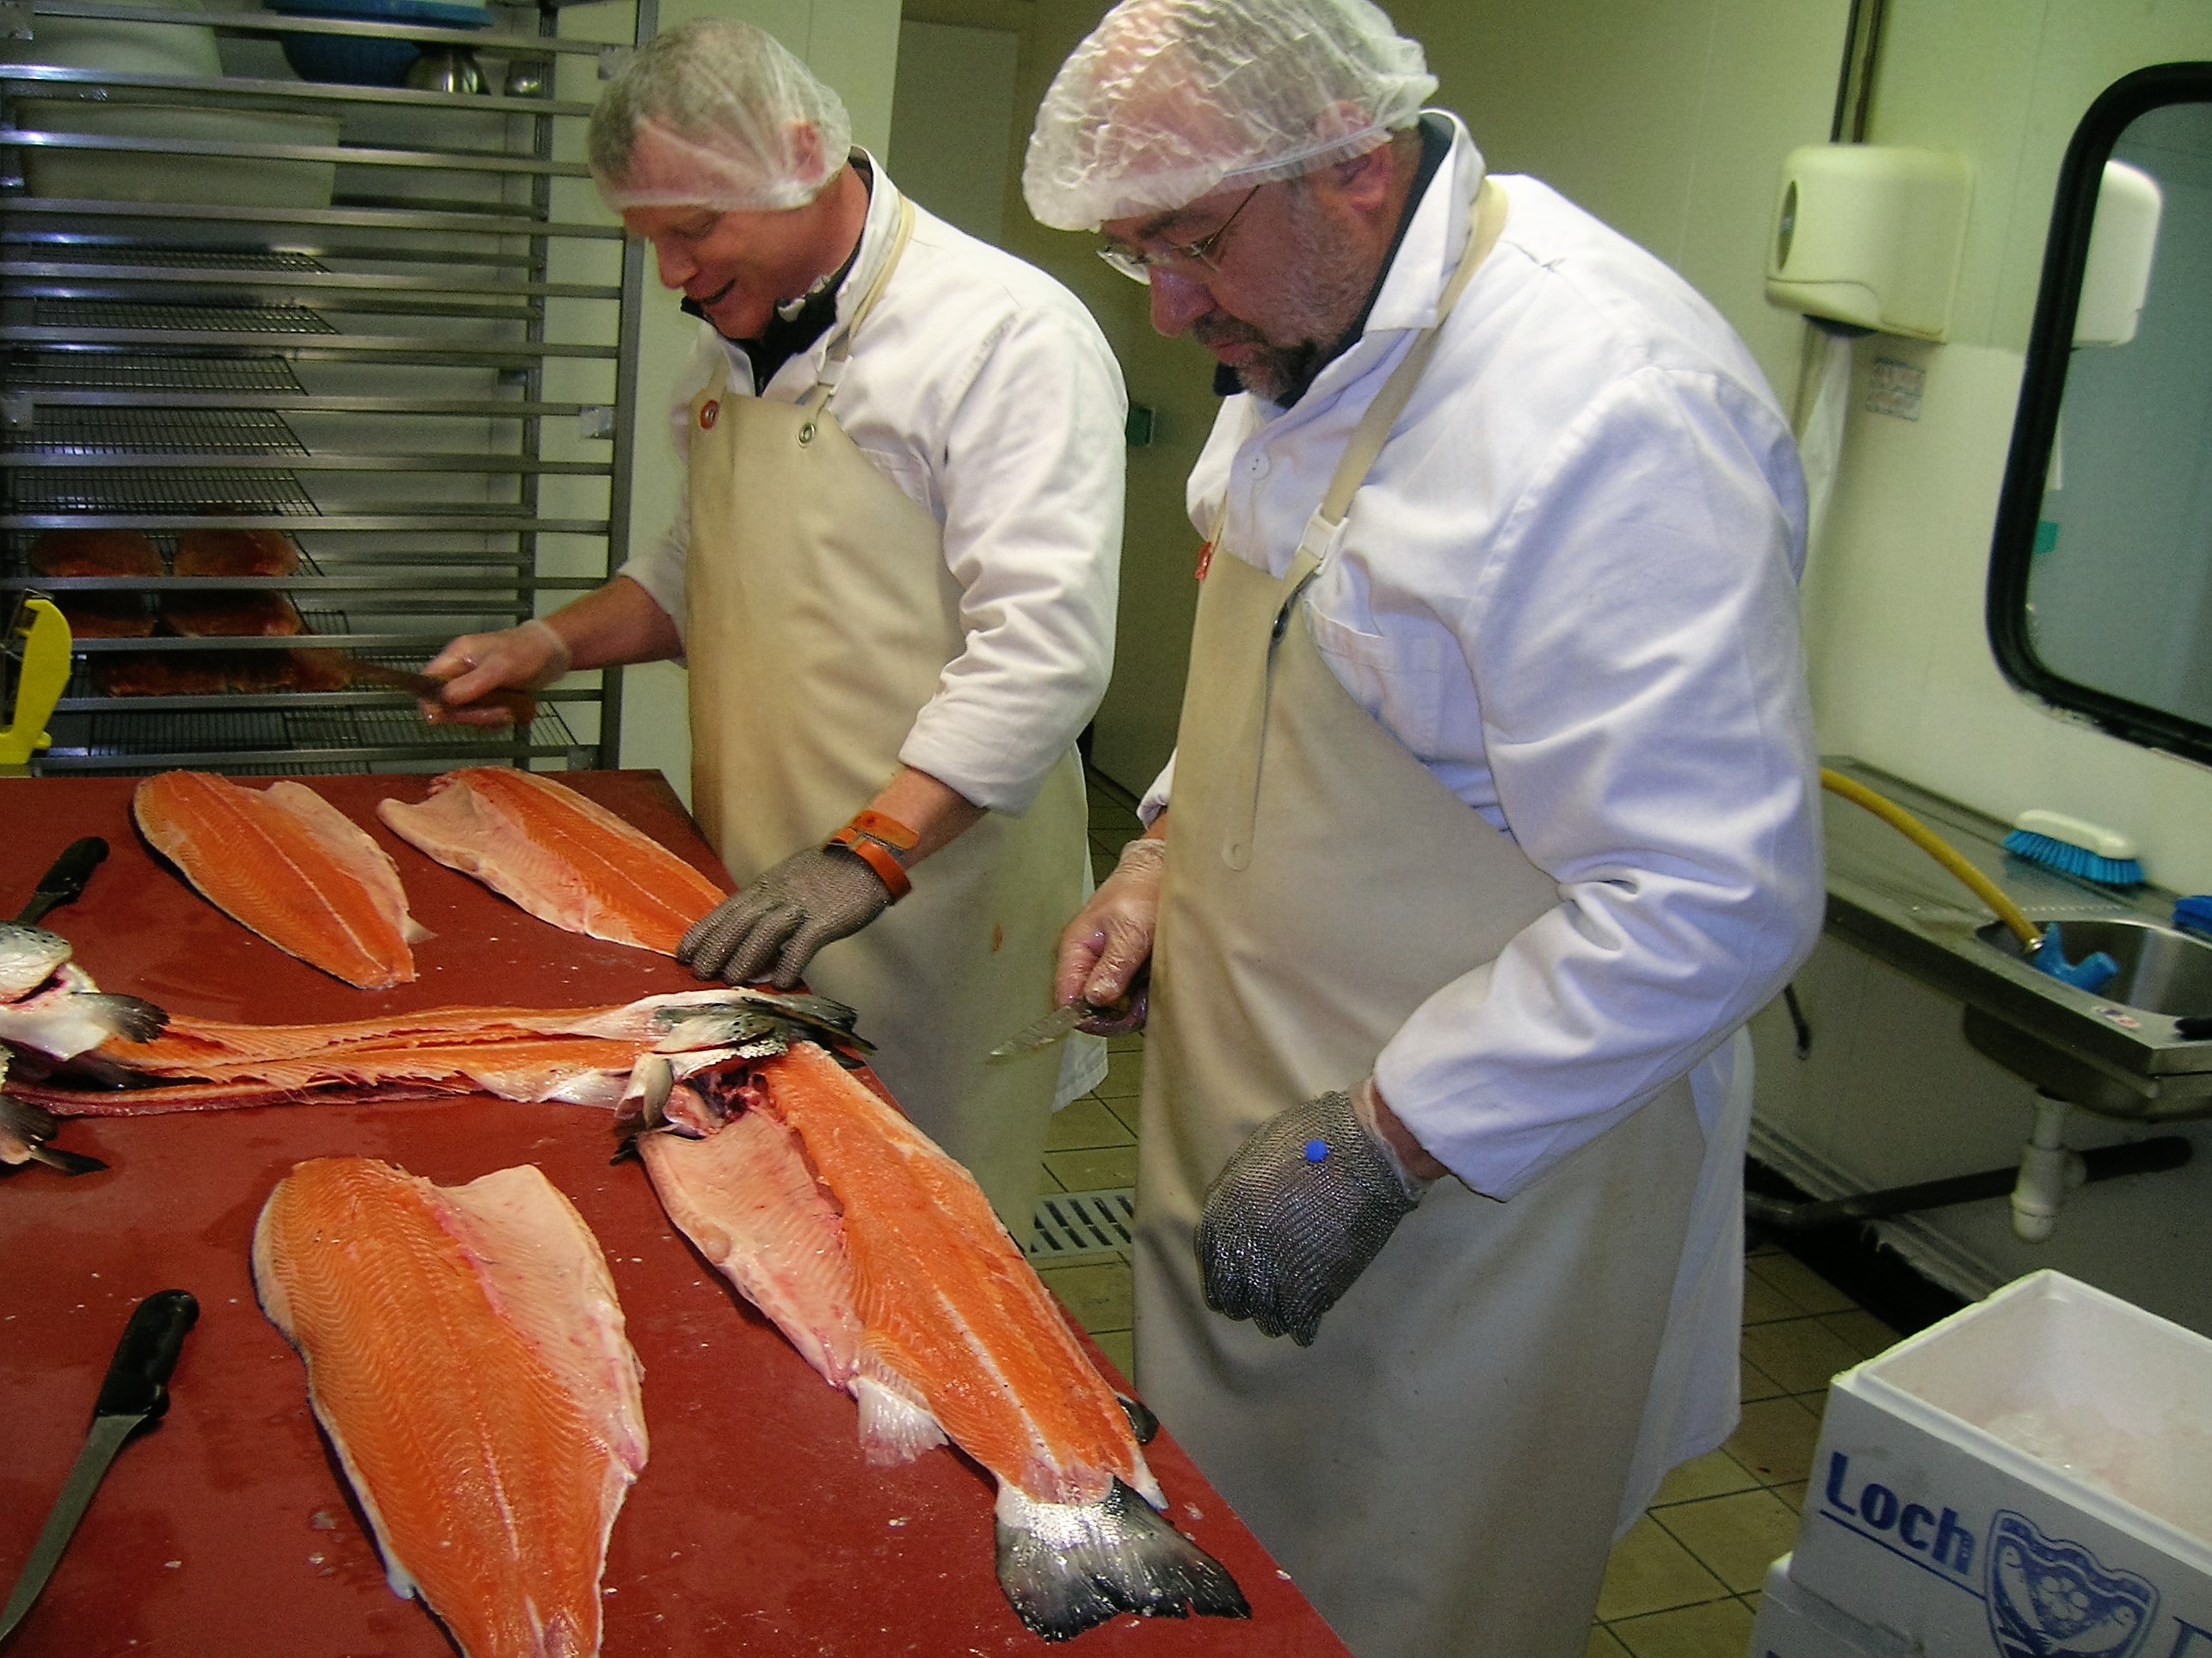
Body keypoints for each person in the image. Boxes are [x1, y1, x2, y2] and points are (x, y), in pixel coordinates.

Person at [1023, 2, 1824, 1653]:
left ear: (1356, 166)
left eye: (1191, 242)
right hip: (1242, 1125)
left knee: (1413, 1603)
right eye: (1135, 253)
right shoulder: (1304, 333)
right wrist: (1166, 850)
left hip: (1474, 1199)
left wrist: (1381, 1142)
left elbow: (1712, 900)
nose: (1169, 309)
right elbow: (1282, 652)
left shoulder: (1608, 407)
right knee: (1228, 1573)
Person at [430, 18, 1125, 1228]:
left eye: (694, 229)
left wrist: (866, 856)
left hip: (936, 911)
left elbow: (1045, 652)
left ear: (805, 155)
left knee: (922, 1238)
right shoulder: (731, 345)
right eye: (651, 240)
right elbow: (701, 572)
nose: (674, 274)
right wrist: (548, 646)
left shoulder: (1003, 334)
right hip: (751, 892)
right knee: (770, 1221)